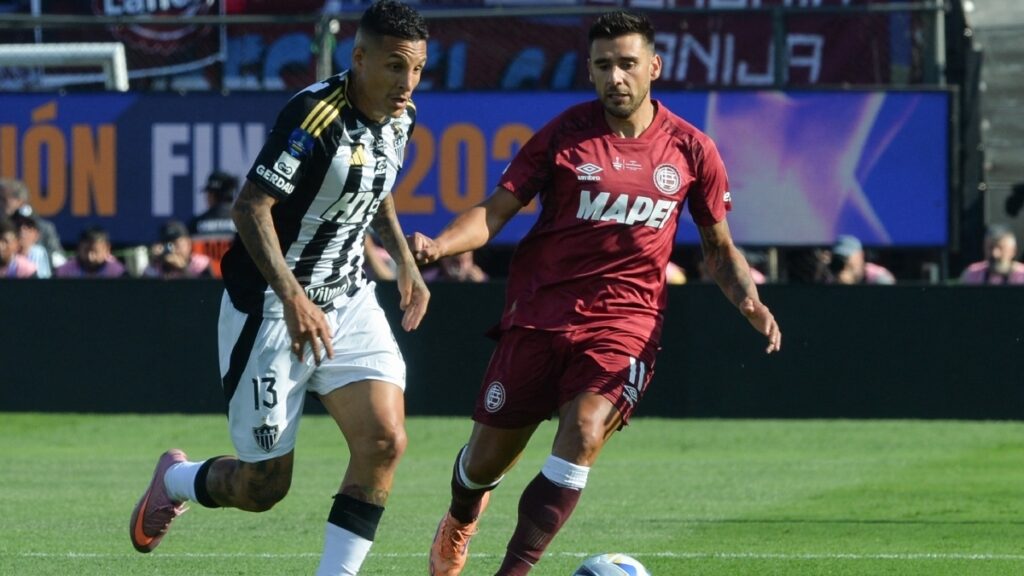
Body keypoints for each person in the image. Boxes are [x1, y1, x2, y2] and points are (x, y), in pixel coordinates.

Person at [409, 11, 781, 576]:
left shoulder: (691, 148)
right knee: (483, 465)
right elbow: (495, 211)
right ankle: (461, 517)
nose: (617, 77)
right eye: (604, 65)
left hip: (626, 324)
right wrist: (441, 244)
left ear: (653, 67)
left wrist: (747, 297)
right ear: (590, 70)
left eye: (628, 64)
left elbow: (717, 245)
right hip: (539, 317)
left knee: (583, 432)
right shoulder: (563, 134)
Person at [128, 3, 431, 576]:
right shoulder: (314, 116)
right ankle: (175, 480)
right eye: (395, 67)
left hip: (347, 298)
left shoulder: (401, 116)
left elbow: (377, 185)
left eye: (416, 69)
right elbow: (250, 208)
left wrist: (404, 261)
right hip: (271, 307)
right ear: (360, 58)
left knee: (385, 442)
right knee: (263, 486)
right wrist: (294, 297)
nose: (407, 83)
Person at [0, 177, 65, 269]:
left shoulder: (44, 228)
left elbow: (58, 257)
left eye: (3, 199)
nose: (0, 203)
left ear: (20, 201)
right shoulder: (2, 226)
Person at [189, 170, 240, 278]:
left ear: (212, 194)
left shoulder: (196, 224)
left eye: (208, 193)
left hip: (205, 285)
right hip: (235, 282)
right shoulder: (242, 221)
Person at [143, 220, 213, 279]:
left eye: (176, 243)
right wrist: (154, 260)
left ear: (188, 243)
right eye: (167, 244)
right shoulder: (156, 267)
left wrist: (182, 269)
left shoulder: (201, 265)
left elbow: (206, 290)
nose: (172, 249)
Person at [959, 224, 1024, 285]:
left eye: (1001, 248)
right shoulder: (971, 274)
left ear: (1013, 251)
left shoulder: (1022, 275)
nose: (994, 254)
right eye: (990, 247)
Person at [55, 226, 126, 278]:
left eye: (95, 251)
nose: (90, 257)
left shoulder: (118, 272)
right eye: (86, 251)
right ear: (79, 248)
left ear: (107, 249)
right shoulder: (64, 272)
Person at [826, 234, 895, 285]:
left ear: (860, 256)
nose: (844, 262)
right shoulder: (833, 278)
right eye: (840, 257)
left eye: (846, 257)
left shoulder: (879, 278)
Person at [12, 213, 52, 278]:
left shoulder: (38, 252)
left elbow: (42, 281)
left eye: (28, 226)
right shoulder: (7, 251)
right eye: (18, 226)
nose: (22, 230)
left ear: (37, 235)